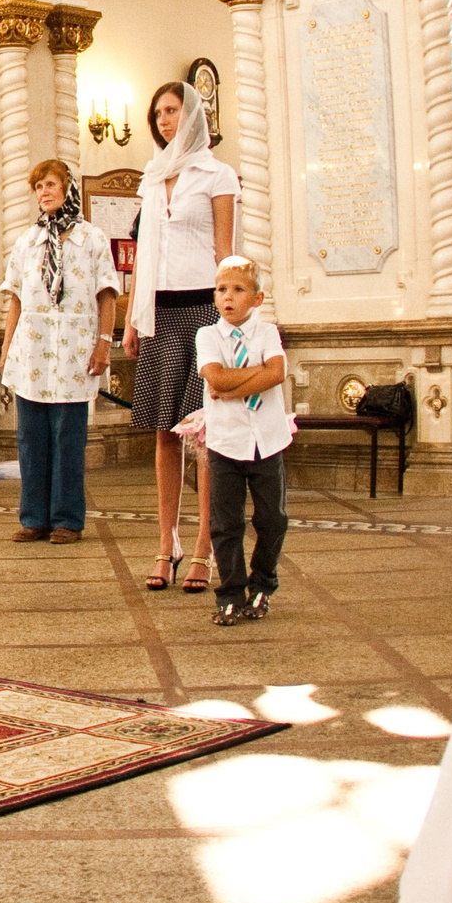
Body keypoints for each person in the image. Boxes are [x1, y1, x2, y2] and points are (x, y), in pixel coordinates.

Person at [125, 82, 236, 594]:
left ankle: (203, 549)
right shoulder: (151, 177)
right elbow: (144, 255)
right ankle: (164, 543)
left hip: (203, 313)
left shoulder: (218, 174)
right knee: (164, 433)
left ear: (192, 115)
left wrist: (230, 327)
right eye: (158, 113)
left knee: (205, 436)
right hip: (159, 313)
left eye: (172, 111)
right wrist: (131, 320)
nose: (164, 120)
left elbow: (226, 254)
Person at [0, 160, 118, 544]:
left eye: (50, 184)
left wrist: (104, 343)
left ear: (67, 188)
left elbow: (107, 294)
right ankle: (34, 518)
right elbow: (15, 300)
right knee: (30, 438)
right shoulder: (26, 242)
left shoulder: (92, 239)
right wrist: (6, 350)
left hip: (75, 352)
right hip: (31, 351)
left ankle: (67, 519)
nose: (43, 192)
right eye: (38, 187)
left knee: (68, 439)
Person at [197, 256, 291, 626]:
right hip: (226, 443)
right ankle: (231, 594)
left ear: (257, 298)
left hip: (267, 441)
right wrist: (254, 375)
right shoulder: (208, 336)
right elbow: (215, 380)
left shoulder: (268, 333)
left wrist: (233, 384)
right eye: (221, 290)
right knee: (226, 522)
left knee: (272, 518)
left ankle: (264, 584)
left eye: (238, 290)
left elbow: (277, 373)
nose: (228, 297)